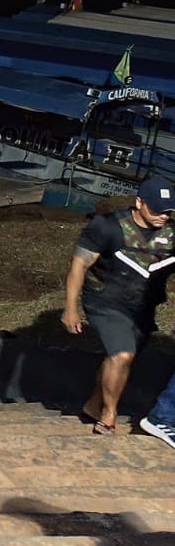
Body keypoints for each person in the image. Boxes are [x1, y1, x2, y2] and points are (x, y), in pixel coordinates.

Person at [61, 175, 175, 435]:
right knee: (123, 354)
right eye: (157, 210)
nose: (163, 216)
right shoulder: (107, 227)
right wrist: (70, 307)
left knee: (119, 357)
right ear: (139, 203)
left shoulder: (171, 235)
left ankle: (93, 405)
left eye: (168, 211)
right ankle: (109, 415)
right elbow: (79, 264)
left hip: (142, 307)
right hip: (105, 300)